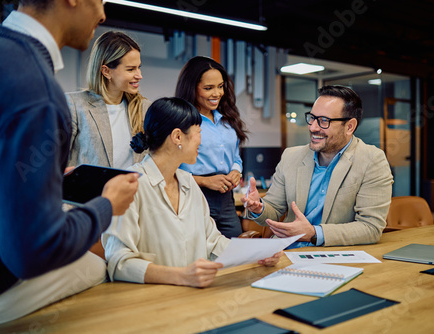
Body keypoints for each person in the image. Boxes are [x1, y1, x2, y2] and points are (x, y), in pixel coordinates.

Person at [0, 0, 138, 328]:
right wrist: (105, 206)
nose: (102, 14)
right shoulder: (37, 89)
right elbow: (31, 251)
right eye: (100, 0)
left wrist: (42, 176)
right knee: (98, 266)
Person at [103, 97, 281, 287]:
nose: (201, 140)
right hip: (152, 302)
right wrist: (180, 275)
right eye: (199, 132)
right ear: (178, 137)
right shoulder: (130, 184)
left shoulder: (187, 182)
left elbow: (212, 242)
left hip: (195, 296)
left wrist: (257, 254)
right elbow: (118, 262)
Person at [242, 85, 393, 248]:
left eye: (323, 121)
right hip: (285, 252)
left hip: (334, 256)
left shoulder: (371, 160)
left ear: (349, 126)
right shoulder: (291, 157)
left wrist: (314, 233)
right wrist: (258, 208)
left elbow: (370, 228)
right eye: (312, 118)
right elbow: (274, 210)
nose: (313, 127)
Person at [175, 56, 248, 238]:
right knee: (201, 255)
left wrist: (236, 172)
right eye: (208, 88)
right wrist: (205, 181)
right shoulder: (181, 121)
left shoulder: (227, 119)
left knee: (233, 253)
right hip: (193, 196)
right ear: (192, 88)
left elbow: (236, 158)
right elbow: (168, 169)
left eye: (220, 86)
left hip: (226, 200)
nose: (217, 93)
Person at [67, 30, 151, 169]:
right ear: (106, 71)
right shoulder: (75, 106)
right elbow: (56, 163)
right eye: (130, 69)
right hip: (91, 190)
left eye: (139, 68)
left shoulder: (145, 108)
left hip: (134, 190)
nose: (139, 75)